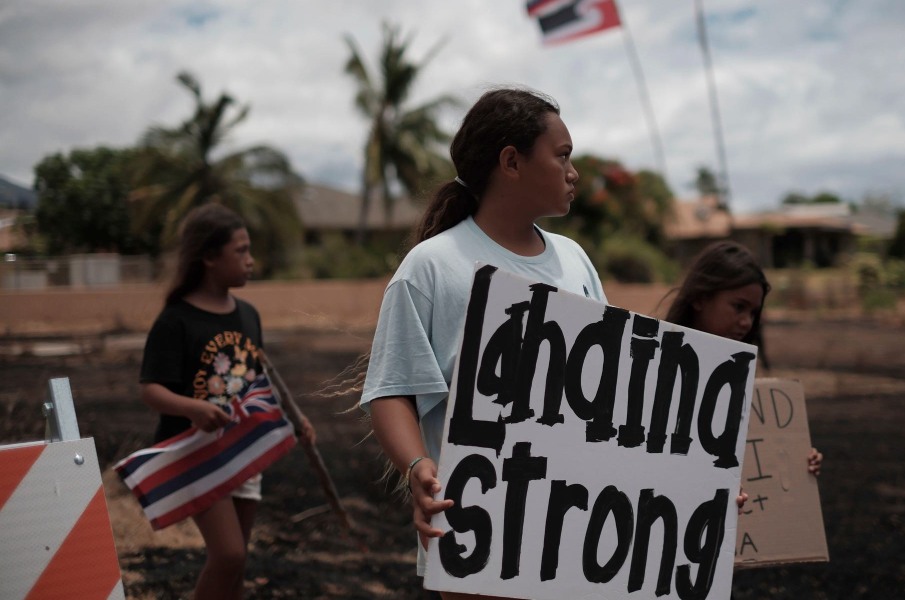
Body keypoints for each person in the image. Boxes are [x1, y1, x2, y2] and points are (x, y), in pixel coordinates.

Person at [359, 87, 606, 600]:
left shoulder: (576, 260)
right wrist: (417, 467)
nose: (573, 172)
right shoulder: (431, 268)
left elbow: (614, 386)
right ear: (511, 161)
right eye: (562, 156)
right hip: (481, 530)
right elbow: (390, 391)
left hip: (580, 524)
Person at [138, 203, 314, 600]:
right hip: (196, 452)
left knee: (237, 565)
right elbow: (150, 390)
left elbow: (259, 382)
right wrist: (193, 408)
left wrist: (293, 420)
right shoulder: (175, 321)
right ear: (208, 257)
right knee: (229, 556)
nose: (251, 261)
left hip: (241, 450)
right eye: (241, 251)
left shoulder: (248, 315)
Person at [662, 240, 823, 480]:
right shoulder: (655, 371)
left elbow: (753, 459)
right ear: (700, 298)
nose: (747, 322)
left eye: (753, 313)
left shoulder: (741, 384)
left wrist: (797, 459)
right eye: (738, 307)